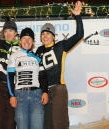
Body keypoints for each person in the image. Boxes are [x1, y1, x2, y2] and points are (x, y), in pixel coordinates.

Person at [36, 1, 84, 129]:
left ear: (53, 36)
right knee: (47, 125)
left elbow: (79, 35)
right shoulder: (39, 51)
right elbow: (40, 74)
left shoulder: (61, 46)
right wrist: (43, 91)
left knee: (60, 124)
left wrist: (78, 16)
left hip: (58, 89)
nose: (45, 36)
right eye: (43, 34)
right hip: (44, 92)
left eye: (48, 33)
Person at [7, 28, 49, 129]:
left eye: (29, 38)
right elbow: (9, 77)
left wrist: (45, 92)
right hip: (20, 95)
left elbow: (43, 76)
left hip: (36, 95)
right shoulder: (14, 56)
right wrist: (11, 95)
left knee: (38, 126)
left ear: (33, 41)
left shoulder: (37, 57)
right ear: (20, 41)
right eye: (24, 38)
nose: (26, 41)